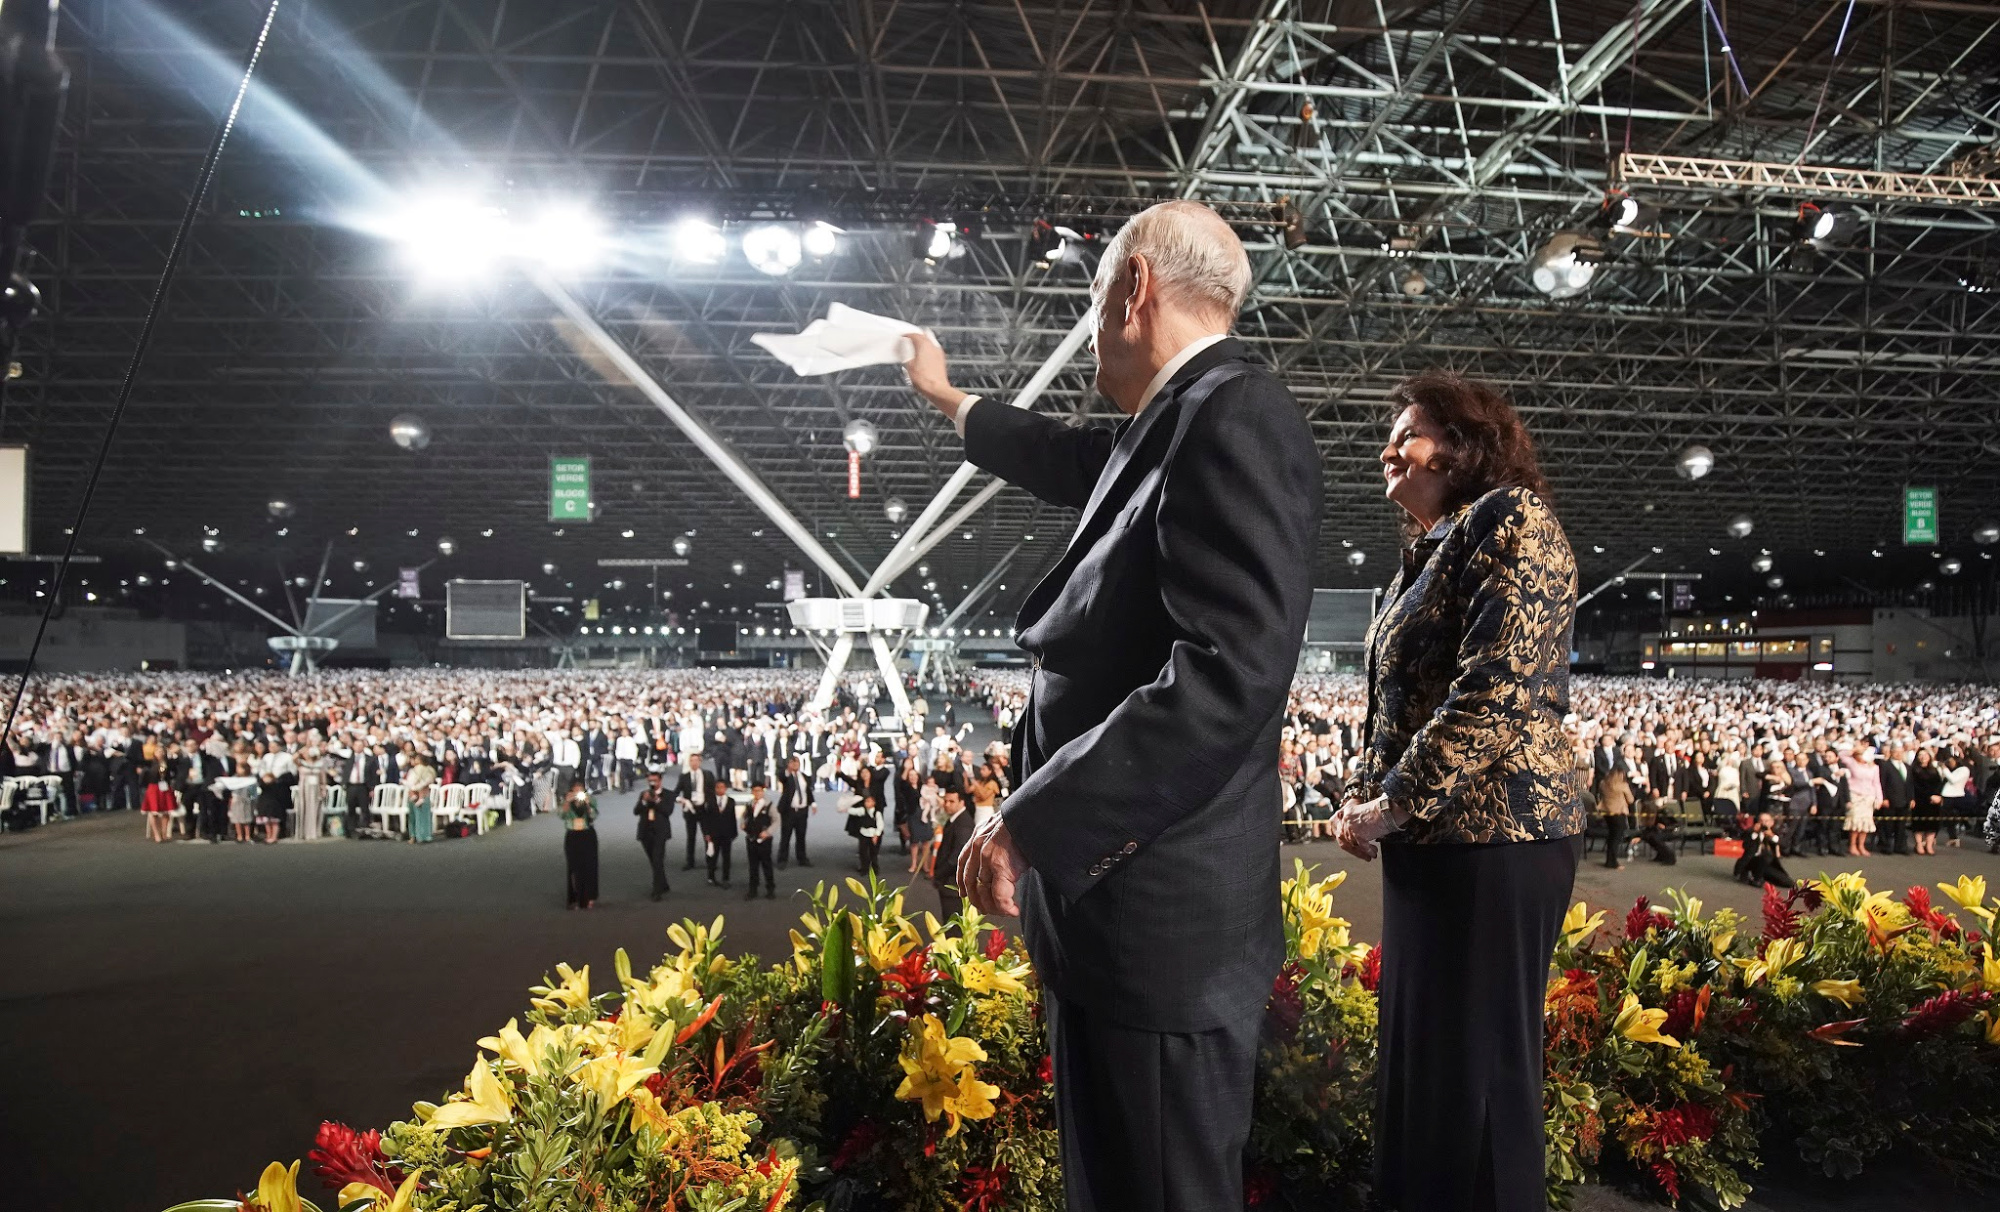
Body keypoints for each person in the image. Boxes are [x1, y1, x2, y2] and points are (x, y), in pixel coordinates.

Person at [907, 199, 1320, 1212]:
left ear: (1133, 288)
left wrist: (1034, 817)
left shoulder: (1234, 414)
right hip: (1124, 922)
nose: (1090, 329)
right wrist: (950, 399)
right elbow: (1069, 459)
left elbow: (1228, 671)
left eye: (1092, 303)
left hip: (1161, 932)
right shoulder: (1178, 421)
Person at [1333, 370, 1583, 1212]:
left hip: (1499, 839)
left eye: (1407, 433)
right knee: (1430, 1062)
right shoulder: (1431, 548)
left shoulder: (1513, 520)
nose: (1387, 450)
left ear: (1467, 444)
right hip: (1441, 844)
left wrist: (1395, 799)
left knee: (1477, 1075)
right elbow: (1402, 696)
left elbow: (1495, 687)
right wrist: (1373, 795)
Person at [932, 786, 975, 924]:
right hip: (950, 883)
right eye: (945, 801)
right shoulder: (955, 819)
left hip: (953, 886)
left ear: (962, 803)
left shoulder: (963, 824)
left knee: (953, 927)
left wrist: (938, 873)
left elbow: (957, 858)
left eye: (951, 801)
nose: (947, 804)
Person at [675, 753, 719, 872]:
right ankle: (690, 861)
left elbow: (713, 792)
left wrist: (713, 808)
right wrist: (680, 800)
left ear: (700, 762)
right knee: (691, 836)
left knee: (708, 836)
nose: (694, 763)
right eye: (692, 761)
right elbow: (676, 792)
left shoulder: (708, 775)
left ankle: (710, 860)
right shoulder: (684, 776)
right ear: (689, 763)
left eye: (696, 760)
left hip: (704, 809)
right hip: (690, 810)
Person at [634, 770, 672, 901]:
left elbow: (668, 811)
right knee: (654, 861)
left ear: (660, 781)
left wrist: (657, 800)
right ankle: (664, 883)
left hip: (660, 832)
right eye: (650, 781)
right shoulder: (643, 794)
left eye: (655, 780)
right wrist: (644, 801)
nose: (652, 783)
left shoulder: (667, 794)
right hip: (645, 832)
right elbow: (636, 811)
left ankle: (657, 891)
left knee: (657, 859)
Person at [561, 779, 598, 909]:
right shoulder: (567, 800)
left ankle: (589, 897)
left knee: (590, 866)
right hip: (572, 835)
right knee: (573, 867)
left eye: (580, 790)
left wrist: (587, 804)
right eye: (575, 790)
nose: (578, 793)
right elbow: (562, 815)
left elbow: (593, 816)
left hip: (587, 835)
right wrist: (567, 801)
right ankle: (574, 898)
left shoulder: (590, 800)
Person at [1839, 745, 1880, 857]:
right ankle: (1852, 845)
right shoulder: (1852, 763)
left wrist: (1879, 798)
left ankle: (1861, 845)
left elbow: (1876, 783)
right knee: (1855, 821)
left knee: (1865, 823)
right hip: (1855, 795)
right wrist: (1854, 750)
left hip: (1868, 796)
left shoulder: (1874, 767)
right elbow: (1841, 755)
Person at [1735, 811, 1793, 888]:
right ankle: (1756, 879)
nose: (1763, 823)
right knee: (1765, 857)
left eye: (1766, 821)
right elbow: (1746, 846)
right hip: (1752, 861)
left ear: (1772, 823)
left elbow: (1785, 845)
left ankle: (1762, 876)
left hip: (1767, 864)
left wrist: (1772, 836)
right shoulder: (1750, 832)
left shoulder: (1775, 833)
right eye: (1761, 821)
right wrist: (1755, 833)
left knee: (1788, 882)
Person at [775, 754, 814, 868]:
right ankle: (782, 859)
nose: (795, 764)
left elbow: (807, 791)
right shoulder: (787, 777)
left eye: (797, 762)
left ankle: (802, 858)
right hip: (789, 811)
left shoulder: (804, 777)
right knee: (786, 836)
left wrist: (813, 803)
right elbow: (782, 777)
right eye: (793, 762)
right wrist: (788, 769)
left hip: (802, 811)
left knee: (801, 836)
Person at [741, 779, 775, 900]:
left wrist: (768, 832)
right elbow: (743, 816)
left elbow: (777, 820)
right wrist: (743, 824)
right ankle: (753, 889)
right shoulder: (749, 804)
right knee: (753, 866)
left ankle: (770, 888)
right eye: (754, 791)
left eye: (759, 790)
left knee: (767, 864)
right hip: (751, 838)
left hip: (764, 840)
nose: (757, 793)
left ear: (763, 791)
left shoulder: (769, 805)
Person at [702, 782, 737, 888]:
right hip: (713, 834)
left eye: (722, 787)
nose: (720, 789)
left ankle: (725, 878)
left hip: (726, 834)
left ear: (725, 789)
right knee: (713, 856)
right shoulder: (710, 801)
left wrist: (733, 833)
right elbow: (705, 819)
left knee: (726, 857)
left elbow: (733, 818)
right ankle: (711, 877)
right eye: (717, 787)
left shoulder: (731, 801)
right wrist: (706, 833)